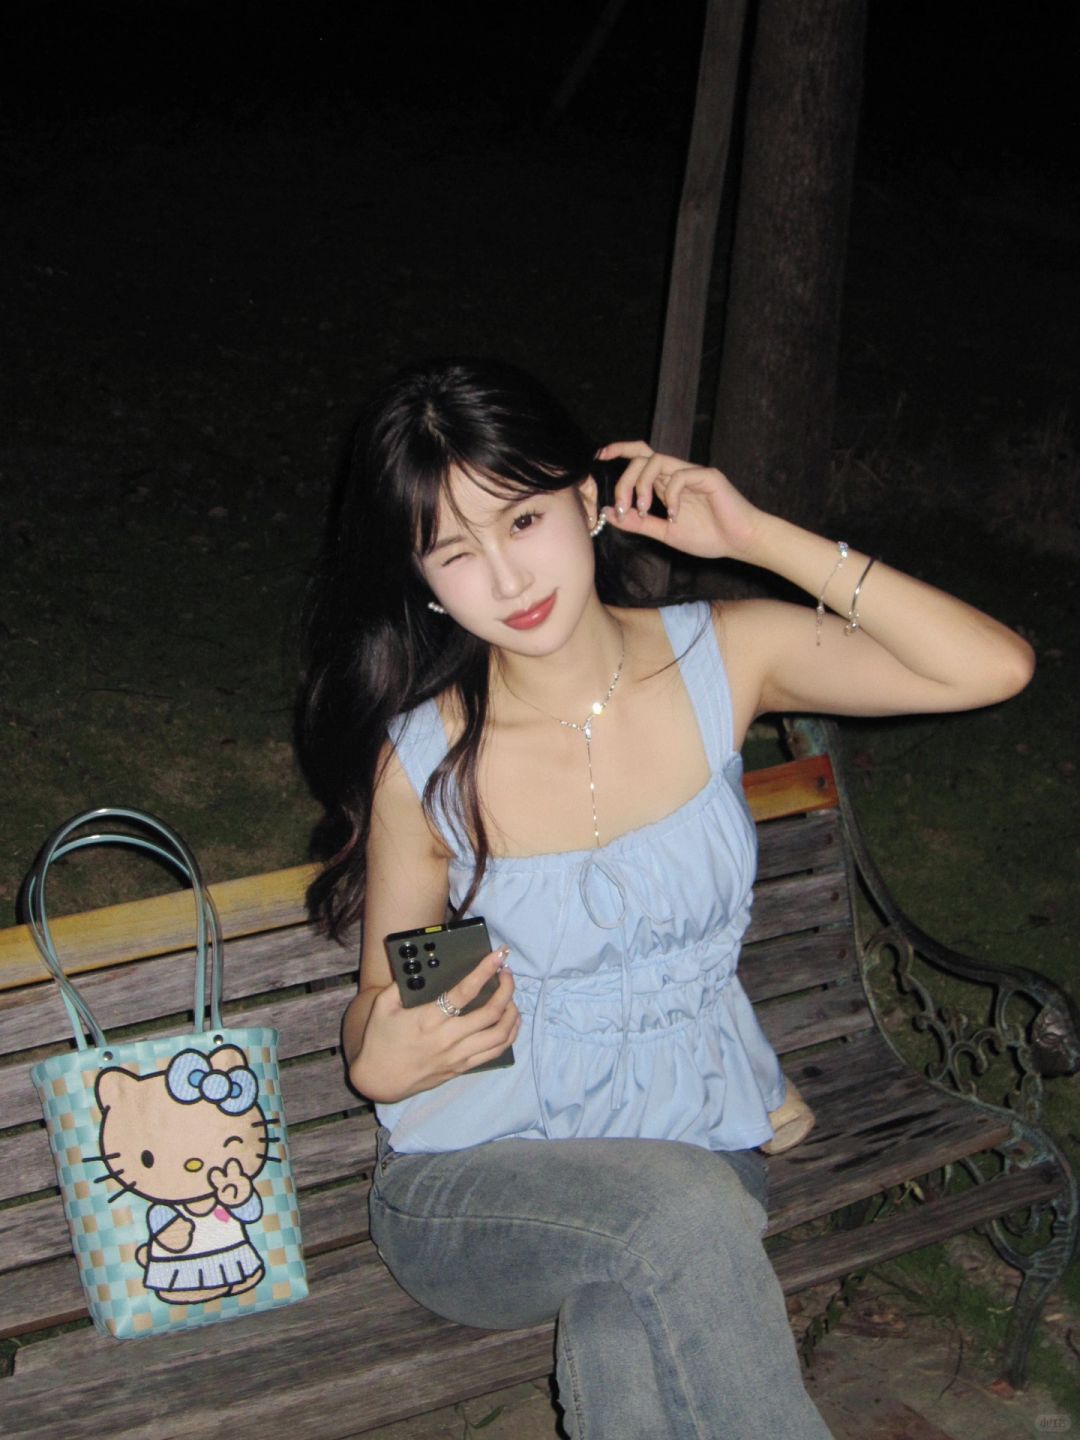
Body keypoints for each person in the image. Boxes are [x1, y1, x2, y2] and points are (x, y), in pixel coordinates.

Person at [297, 357, 1033, 1440]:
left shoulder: (724, 656)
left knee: (625, 1331)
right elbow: (385, 999)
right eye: (456, 551)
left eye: (524, 519)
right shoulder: (430, 763)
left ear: (589, 501)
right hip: (477, 1187)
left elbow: (990, 667)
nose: (506, 576)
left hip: (692, 1140)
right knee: (681, 1217)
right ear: (427, 583)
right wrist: (379, 1056)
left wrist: (757, 537)